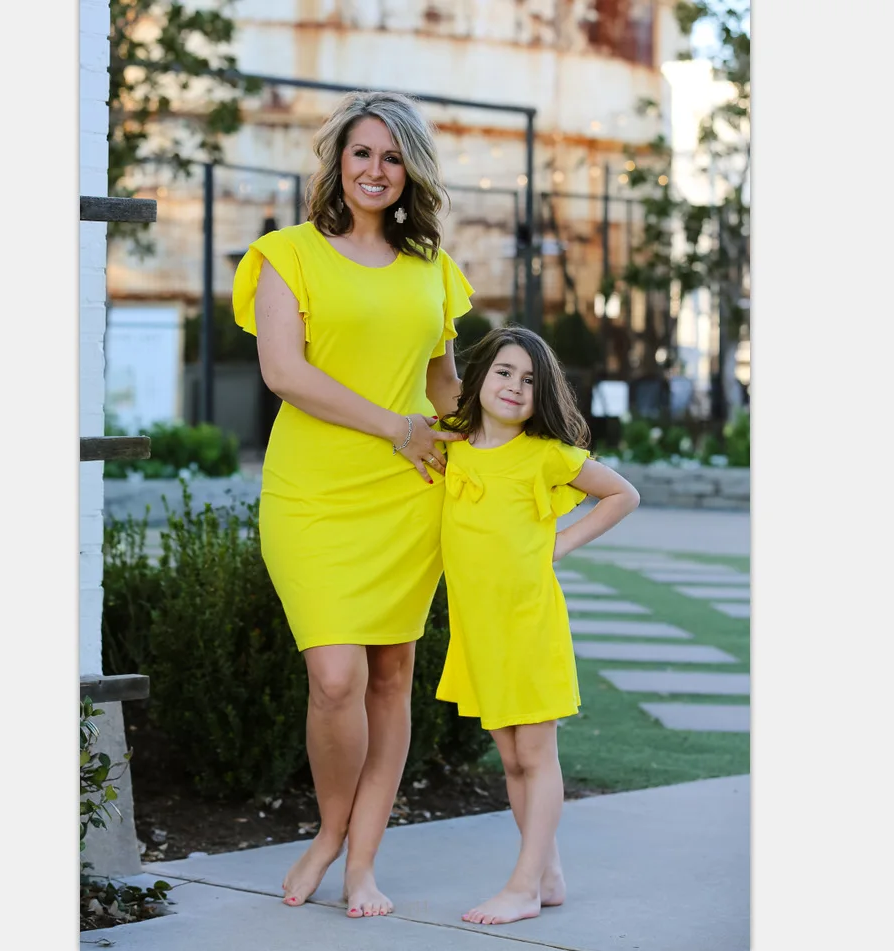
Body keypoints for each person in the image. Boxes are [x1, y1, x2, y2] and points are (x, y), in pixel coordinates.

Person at [230, 90, 474, 918]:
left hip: (408, 496)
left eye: (394, 157)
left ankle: (362, 861)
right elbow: (284, 374)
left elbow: (445, 387)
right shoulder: (284, 254)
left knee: (390, 675)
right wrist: (394, 426)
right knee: (335, 675)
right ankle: (330, 831)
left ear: (413, 173)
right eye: (363, 152)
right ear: (339, 161)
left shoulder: (434, 268)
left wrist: (494, 448)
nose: (376, 169)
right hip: (313, 492)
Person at [435, 326, 641, 925]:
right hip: (479, 627)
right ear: (480, 378)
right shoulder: (453, 444)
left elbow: (622, 494)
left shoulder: (546, 454)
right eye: (503, 371)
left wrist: (558, 543)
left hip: (527, 620)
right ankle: (547, 874)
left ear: (542, 393)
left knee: (535, 752)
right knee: (510, 757)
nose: (514, 386)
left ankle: (524, 884)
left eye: (529, 380)